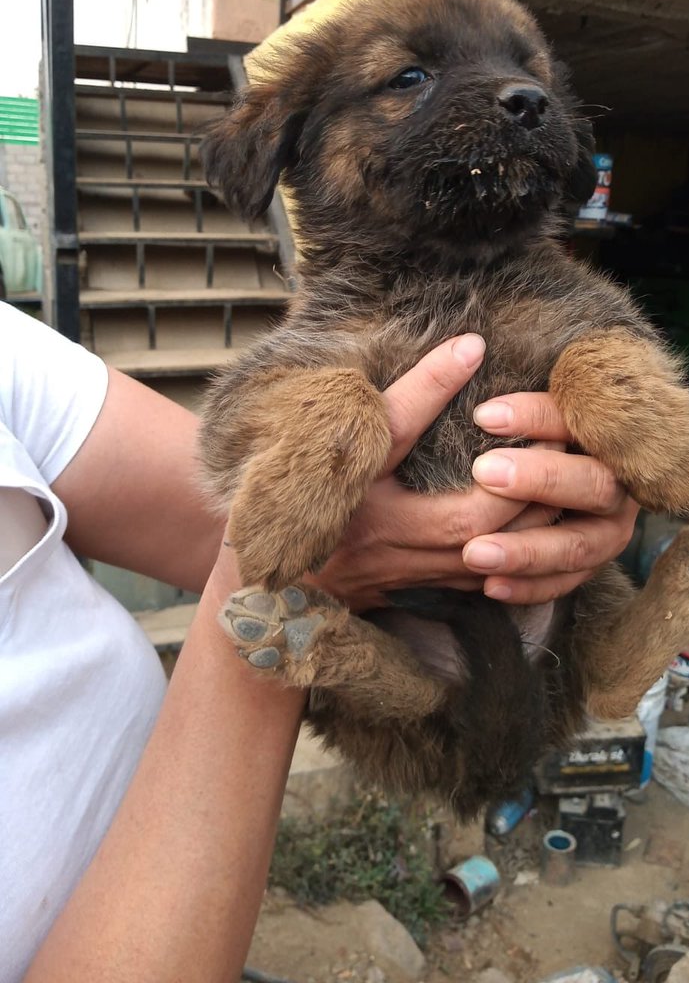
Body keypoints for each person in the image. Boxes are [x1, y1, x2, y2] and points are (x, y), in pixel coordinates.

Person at [0, 300, 637, 983]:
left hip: (216, 889)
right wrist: (293, 568)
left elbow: (216, 498)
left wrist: (584, 468)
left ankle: (630, 646)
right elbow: (260, 554)